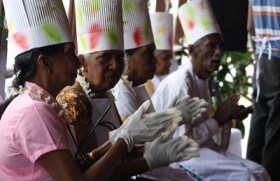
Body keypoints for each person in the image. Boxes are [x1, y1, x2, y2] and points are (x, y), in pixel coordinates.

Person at [0, 0, 194, 180]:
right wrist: (125, 143)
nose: (77, 61)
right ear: (44, 62)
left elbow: (78, 163)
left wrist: (122, 137)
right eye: (69, 53)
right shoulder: (35, 112)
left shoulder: (38, 104)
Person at [56, 0, 200, 180]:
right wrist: (149, 159)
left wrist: (158, 148)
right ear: (82, 62)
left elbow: (121, 152)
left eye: (118, 57)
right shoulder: (75, 99)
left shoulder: (105, 93)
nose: (115, 66)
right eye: (104, 58)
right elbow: (95, 170)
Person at [152, 0, 271, 180]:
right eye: (211, 45)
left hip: (198, 150)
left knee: (259, 172)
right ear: (192, 50)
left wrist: (227, 117)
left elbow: (210, 138)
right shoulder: (181, 82)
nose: (218, 52)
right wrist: (219, 118)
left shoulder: (202, 78)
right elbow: (180, 143)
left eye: (220, 46)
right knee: (245, 176)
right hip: (176, 156)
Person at [246, 1, 280, 180]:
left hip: (261, 56)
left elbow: (250, 26)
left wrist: (257, 53)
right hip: (278, 56)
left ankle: (249, 174)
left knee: (258, 119)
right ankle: (270, 176)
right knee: (276, 128)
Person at [144, 12, 173, 97]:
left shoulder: (168, 80)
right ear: (153, 57)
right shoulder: (144, 84)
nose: (170, 63)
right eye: (165, 58)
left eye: (170, 58)